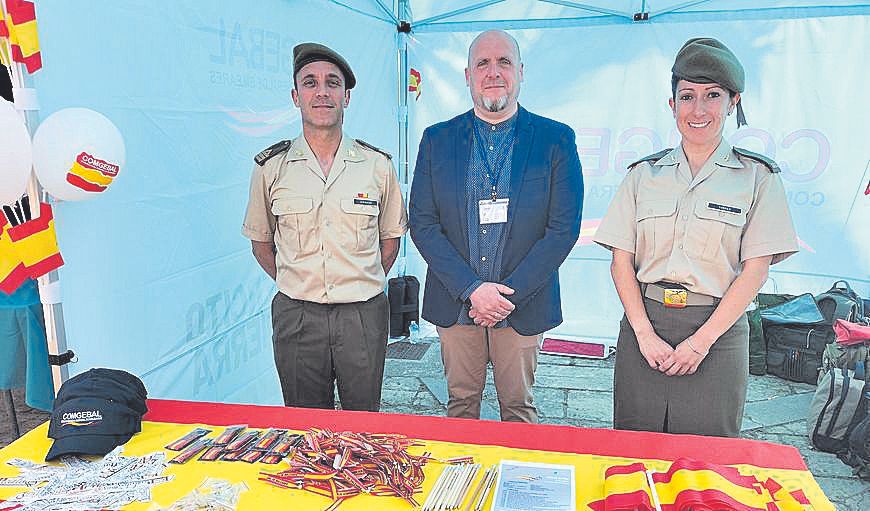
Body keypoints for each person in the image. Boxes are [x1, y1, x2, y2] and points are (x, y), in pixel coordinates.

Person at [593, 38, 799, 437]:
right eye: (687, 96)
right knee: (634, 452)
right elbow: (621, 262)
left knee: (709, 462)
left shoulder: (758, 178)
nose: (699, 109)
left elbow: (755, 271)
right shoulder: (642, 175)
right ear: (672, 106)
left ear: (733, 101)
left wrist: (701, 342)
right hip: (644, 328)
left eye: (712, 95)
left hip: (717, 333)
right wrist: (644, 334)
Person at [409, 30, 583, 423]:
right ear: (467, 75)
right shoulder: (437, 139)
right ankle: (457, 481)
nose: (493, 72)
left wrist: (505, 296)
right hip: (456, 304)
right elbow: (423, 222)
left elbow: (562, 230)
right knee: (460, 406)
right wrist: (472, 290)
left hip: (522, 304)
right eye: (482, 63)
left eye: (503, 62)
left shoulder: (556, 139)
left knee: (519, 410)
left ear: (520, 72)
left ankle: (517, 484)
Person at [242, 43, 407, 412]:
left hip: (362, 315)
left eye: (332, 83)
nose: (322, 92)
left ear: (346, 97)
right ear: (295, 96)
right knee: (304, 426)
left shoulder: (377, 165)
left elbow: (390, 241)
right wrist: (300, 279)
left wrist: (358, 279)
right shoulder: (271, 168)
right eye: (310, 82)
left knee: (364, 426)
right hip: (297, 315)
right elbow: (262, 245)